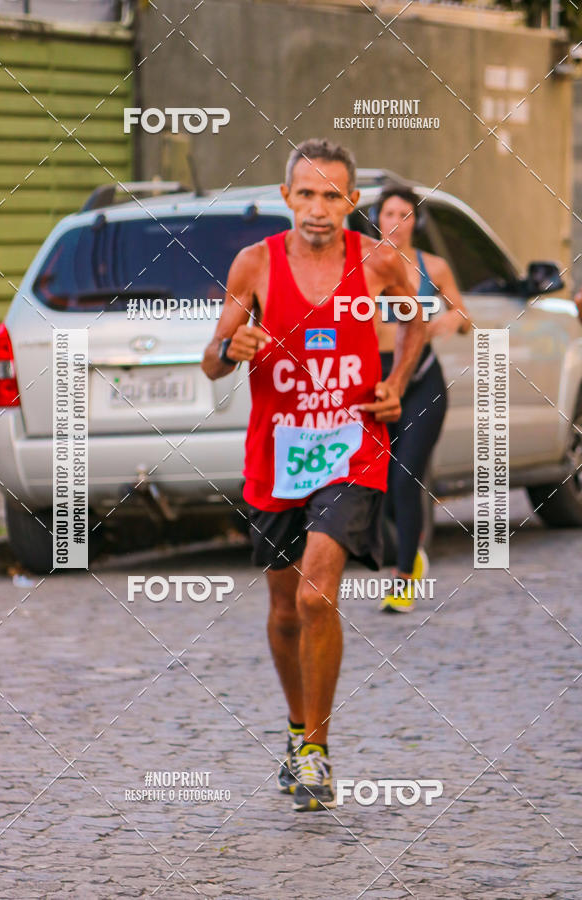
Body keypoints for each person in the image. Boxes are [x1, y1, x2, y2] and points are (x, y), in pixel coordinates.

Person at [201, 139, 425, 812]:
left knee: (315, 598)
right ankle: (298, 728)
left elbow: (416, 321)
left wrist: (396, 383)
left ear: (352, 201)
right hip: (277, 456)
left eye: (332, 195)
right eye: (306, 194)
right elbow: (211, 360)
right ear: (286, 197)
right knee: (282, 609)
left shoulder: (379, 260)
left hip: (353, 447)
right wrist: (230, 347)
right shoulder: (256, 263)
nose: (319, 208)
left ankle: (316, 753)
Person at [370, 184, 471, 613]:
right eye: (389, 214)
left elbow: (464, 317)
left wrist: (448, 320)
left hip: (423, 382)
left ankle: (403, 580)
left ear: (417, 222)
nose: (397, 222)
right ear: (377, 219)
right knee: (377, 486)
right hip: (375, 385)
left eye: (405, 215)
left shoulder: (434, 266)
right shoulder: (363, 265)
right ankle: (409, 553)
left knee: (405, 478)